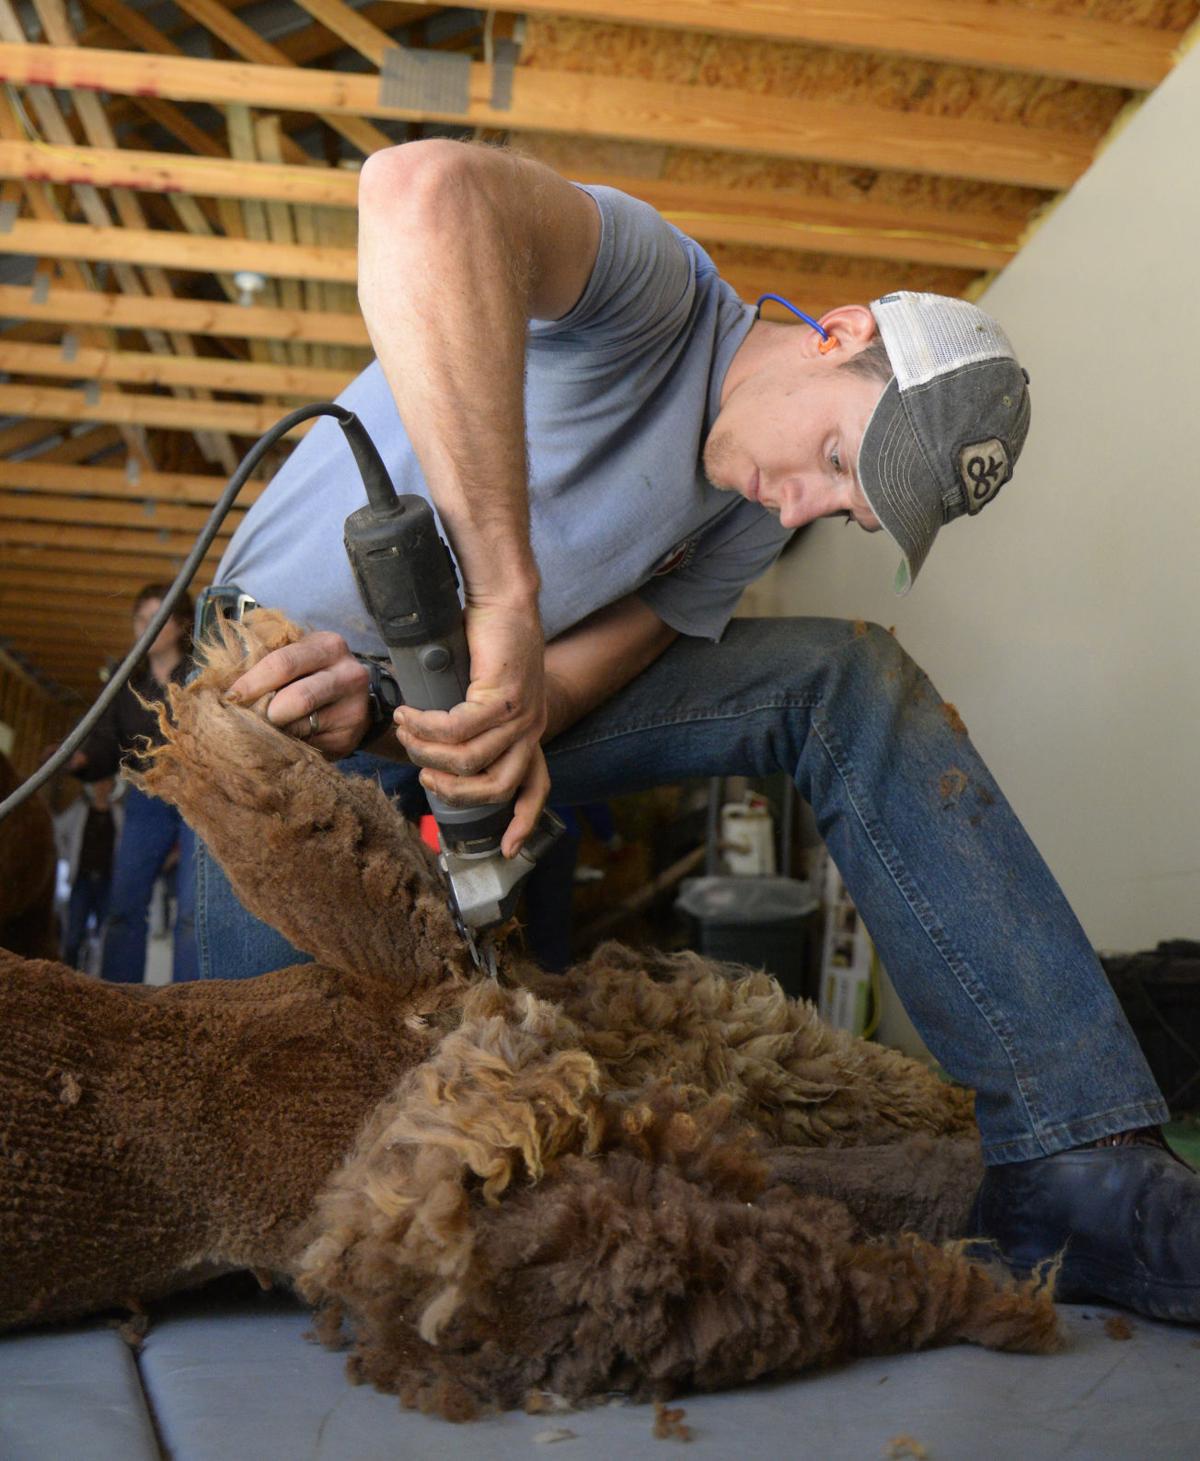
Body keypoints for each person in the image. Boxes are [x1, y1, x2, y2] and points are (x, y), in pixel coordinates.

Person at [204, 140, 1197, 1322]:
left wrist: (511, 718)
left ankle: (1077, 1162)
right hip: (273, 692)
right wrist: (507, 596)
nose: (806, 505)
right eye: (836, 455)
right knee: (267, 1201)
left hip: (436, 711)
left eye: (849, 507)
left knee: (846, 677)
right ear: (835, 333)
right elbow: (416, 192)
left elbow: (566, 692)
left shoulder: (744, 517)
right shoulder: (654, 294)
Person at [66, 584, 197, 983]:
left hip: (199, 798)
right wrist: (84, 759)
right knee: (123, 906)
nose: (147, 626)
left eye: (157, 618)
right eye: (141, 619)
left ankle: (194, 1004)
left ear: (180, 624)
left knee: (193, 910)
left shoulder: (202, 671)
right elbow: (107, 738)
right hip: (147, 796)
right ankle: (119, 998)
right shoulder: (125, 678)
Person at [52, 774, 124, 972]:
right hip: (82, 879)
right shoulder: (80, 810)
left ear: (111, 786)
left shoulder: (118, 814)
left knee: (105, 934)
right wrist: (67, 856)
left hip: (106, 882)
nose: (102, 787)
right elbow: (59, 831)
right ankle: (68, 974)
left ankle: (98, 976)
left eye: (106, 783)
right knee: (74, 935)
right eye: (98, 782)